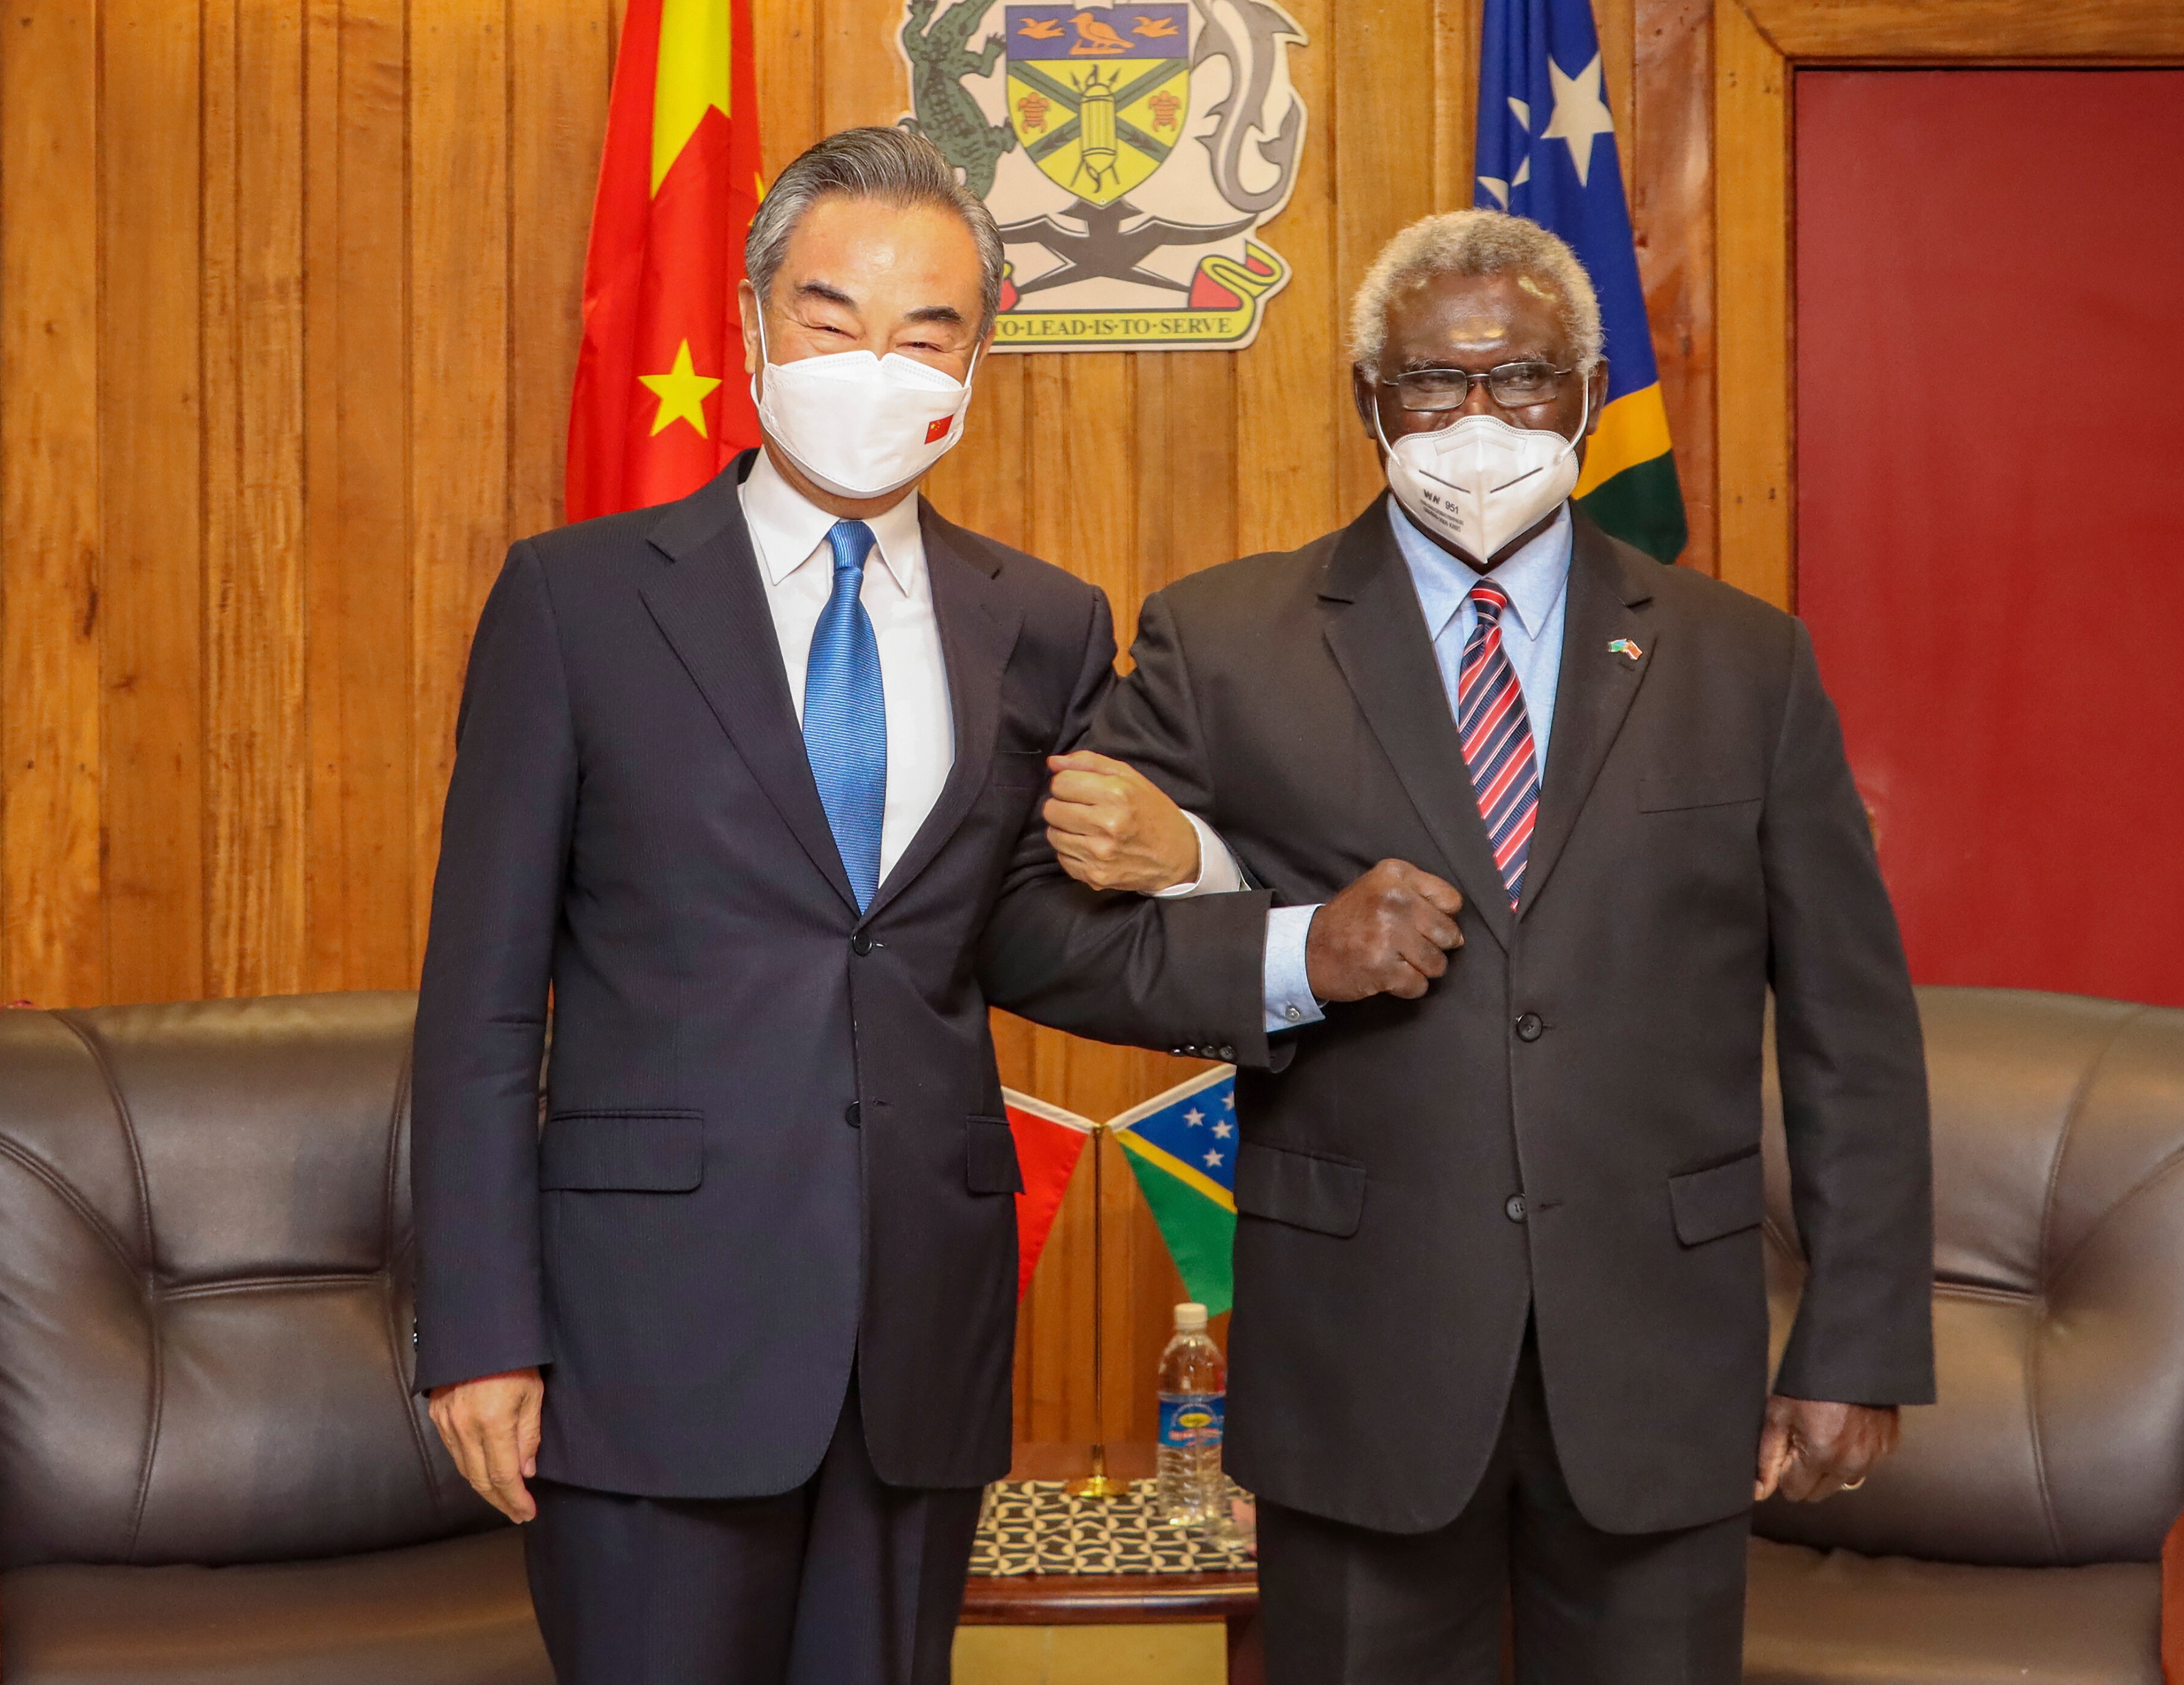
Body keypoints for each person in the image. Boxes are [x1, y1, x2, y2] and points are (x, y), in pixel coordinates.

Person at [984, 210, 1936, 1684]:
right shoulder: (1224, 641)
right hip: (1360, 1366)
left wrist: (1856, 1338)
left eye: (1525, 376)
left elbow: (1849, 1027)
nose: (1480, 417)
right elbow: (1035, 934)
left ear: (1588, 392)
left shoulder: (1745, 659)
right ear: (1370, 399)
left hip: (1658, 1367)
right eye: (1434, 379)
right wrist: (1298, 950)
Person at [406, 127, 1272, 1685]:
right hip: (648, 1334)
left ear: (978, 356)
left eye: (925, 330)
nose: (877, 365)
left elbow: (1040, 937)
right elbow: (478, 999)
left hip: (917, 1337)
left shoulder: (1042, 621)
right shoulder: (575, 600)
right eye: (832, 317)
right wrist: (477, 1328)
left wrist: (1199, 861)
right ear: (752, 322)